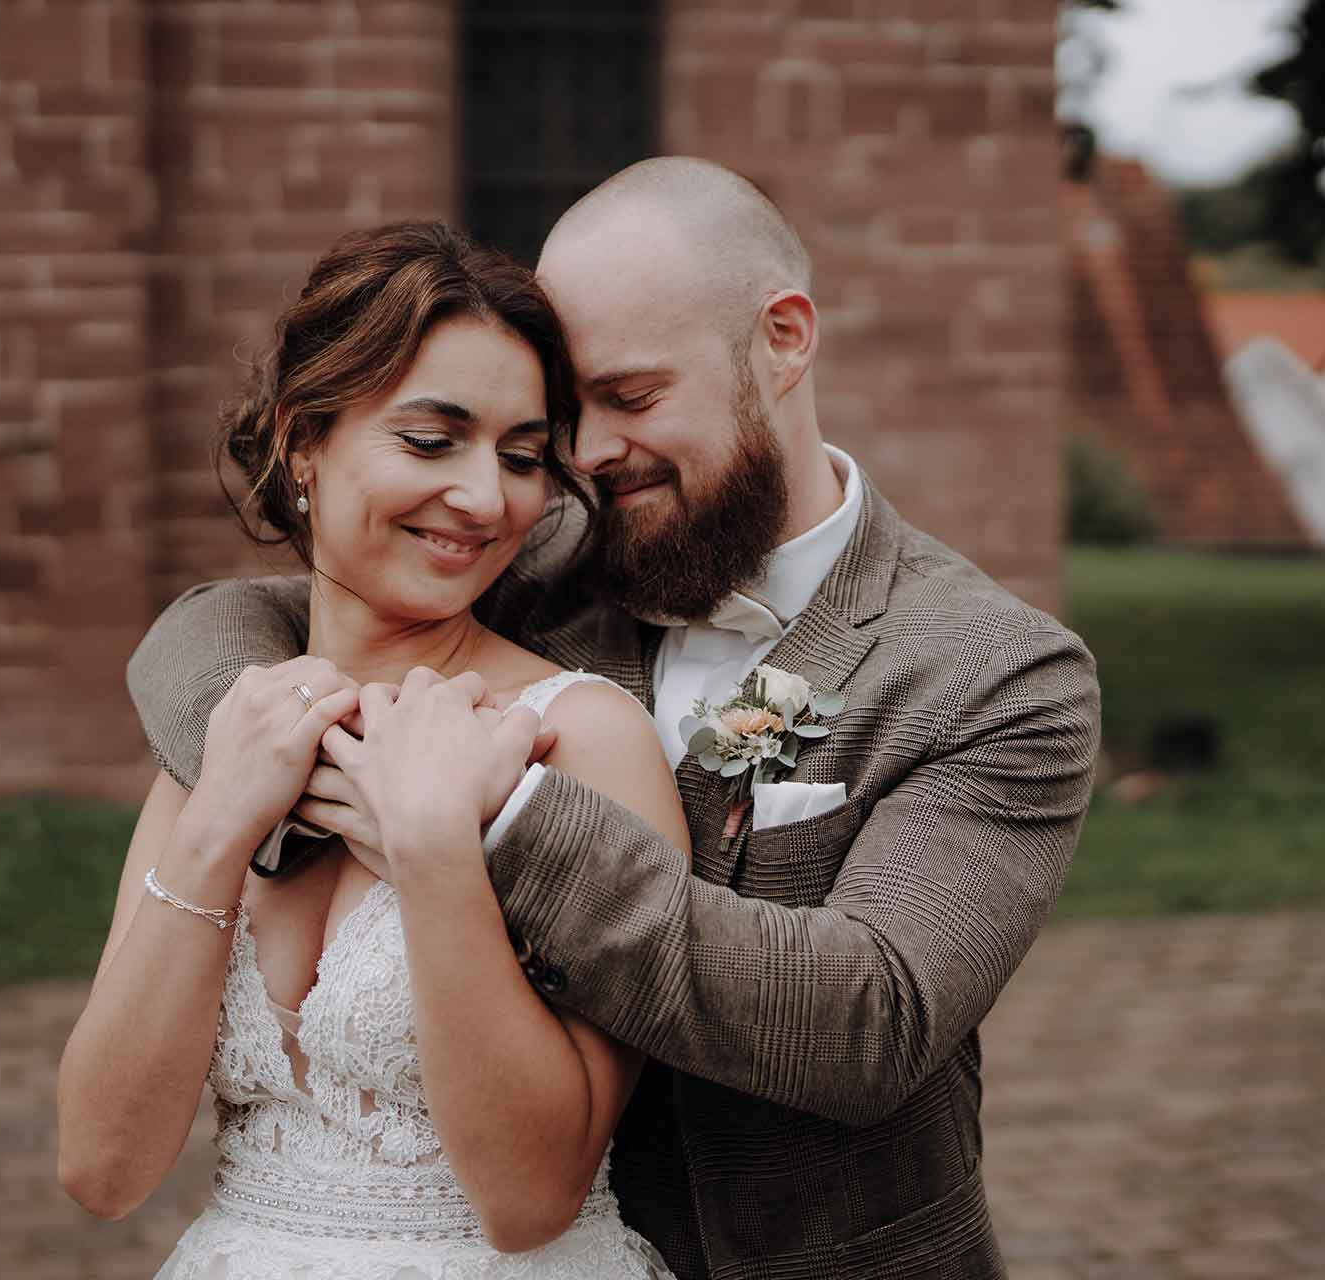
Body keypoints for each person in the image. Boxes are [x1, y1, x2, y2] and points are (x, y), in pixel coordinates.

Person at [126, 157, 1104, 1278]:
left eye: (631, 398)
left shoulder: (992, 670)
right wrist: (287, 773)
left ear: (783, 340)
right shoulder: (543, 565)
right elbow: (228, 621)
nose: (585, 456)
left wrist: (503, 818)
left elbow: (869, 1020)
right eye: (569, 415)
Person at [57, 221, 687, 1278]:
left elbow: (533, 1195)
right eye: (433, 440)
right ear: (305, 441)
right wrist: (218, 818)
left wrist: (438, 847)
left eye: (523, 456)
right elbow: (103, 1166)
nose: (488, 500)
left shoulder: (579, 736)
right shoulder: (229, 731)